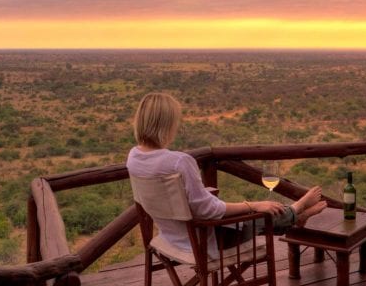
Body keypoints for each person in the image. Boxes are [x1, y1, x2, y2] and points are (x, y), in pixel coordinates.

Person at [126, 92, 326, 257]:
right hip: (202, 241)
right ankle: (296, 209)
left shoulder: (133, 157)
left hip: (169, 238)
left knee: (250, 214)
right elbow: (208, 211)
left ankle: (295, 216)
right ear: (166, 124)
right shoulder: (179, 161)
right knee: (258, 213)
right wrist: (252, 205)